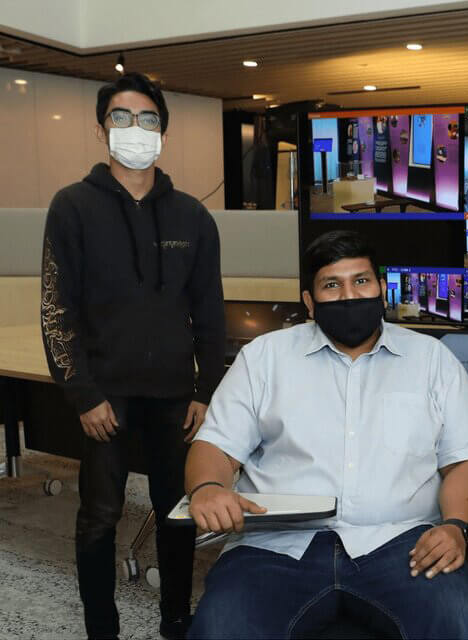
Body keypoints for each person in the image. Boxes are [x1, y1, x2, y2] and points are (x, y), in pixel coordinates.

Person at [184, 230, 468, 639]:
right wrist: (207, 486)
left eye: (361, 281)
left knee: (466, 626)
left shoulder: (432, 360)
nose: (350, 295)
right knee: (220, 628)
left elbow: (466, 459)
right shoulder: (264, 357)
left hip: (403, 543)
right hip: (277, 546)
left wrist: (457, 526)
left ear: (382, 290)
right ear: (310, 303)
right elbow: (216, 447)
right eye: (332, 285)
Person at [40, 72, 225, 639]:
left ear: (162, 131)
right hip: (106, 395)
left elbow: (210, 311)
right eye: (121, 117)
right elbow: (56, 310)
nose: (135, 129)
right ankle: (102, 627)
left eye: (148, 119)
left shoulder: (193, 216)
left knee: (177, 513)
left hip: (175, 394)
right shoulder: (72, 206)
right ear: (102, 130)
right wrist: (83, 395)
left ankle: (176, 617)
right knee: (99, 516)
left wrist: (206, 391)